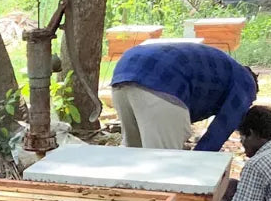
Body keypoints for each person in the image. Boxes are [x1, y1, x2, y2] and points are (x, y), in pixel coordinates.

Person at [111, 40, 259, 151]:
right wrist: (195, 162)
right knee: (161, 166)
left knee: (133, 156)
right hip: (164, 80)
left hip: (124, 70)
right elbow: (220, 129)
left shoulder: (225, 69)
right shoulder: (246, 83)